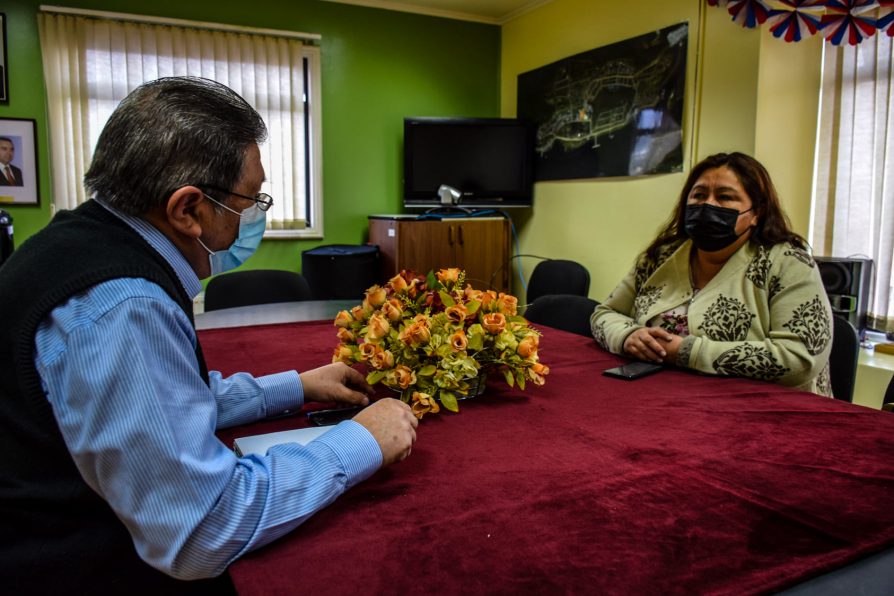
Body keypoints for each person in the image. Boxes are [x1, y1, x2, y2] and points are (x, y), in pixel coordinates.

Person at [0, 77, 418, 593]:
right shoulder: (123, 306)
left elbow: (164, 400)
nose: (252, 217)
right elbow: (200, 529)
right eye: (249, 200)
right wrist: (359, 442)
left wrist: (297, 386)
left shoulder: (78, 242)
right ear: (187, 209)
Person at [591, 152, 833, 396]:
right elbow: (605, 313)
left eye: (725, 197)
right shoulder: (660, 257)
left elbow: (801, 358)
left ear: (756, 213)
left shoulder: (789, 263)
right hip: (661, 398)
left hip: (767, 410)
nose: (708, 205)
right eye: (698, 195)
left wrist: (687, 352)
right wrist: (627, 336)